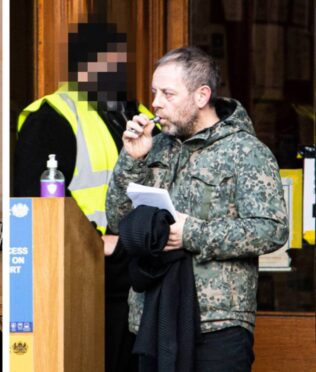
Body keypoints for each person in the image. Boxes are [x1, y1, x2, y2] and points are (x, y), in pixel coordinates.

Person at [106, 46, 289, 371]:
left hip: (216, 323)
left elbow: (271, 229)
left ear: (202, 95)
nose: (155, 103)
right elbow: (118, 220)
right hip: (152, 318)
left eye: (167, 93)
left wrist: (192, 233)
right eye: (154, 92)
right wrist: (132, 160)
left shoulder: (244, 151)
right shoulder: (154, 145)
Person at [14, 22, 148, 372]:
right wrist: (95, 240)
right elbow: (35, 201)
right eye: (104, 60)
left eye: (120, 60)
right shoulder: (53, 116)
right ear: (80, 66)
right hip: (88, 276)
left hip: (143, 273)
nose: (114, 68)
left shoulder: (139, 114)